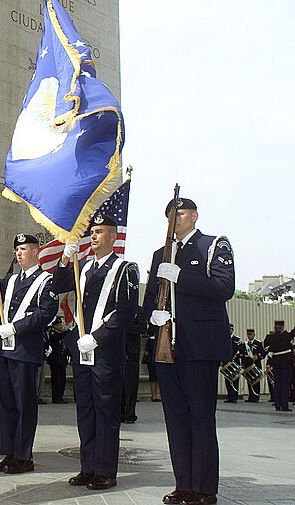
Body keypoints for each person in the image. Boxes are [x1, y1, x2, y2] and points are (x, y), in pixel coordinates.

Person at [146, 197, 234, 505]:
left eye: (180, 213)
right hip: (167, 348)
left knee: (200, 417)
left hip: (199, 347)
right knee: (176, 418)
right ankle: (183, 484)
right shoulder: (161, 254)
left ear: (194, 216)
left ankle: (204, 488)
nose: (175, 218)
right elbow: (148, 301)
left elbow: (224, 288)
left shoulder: (212, 246)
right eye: (170, 213)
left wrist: (182, 277)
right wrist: (152, 318)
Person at [52, 213, 139, 491]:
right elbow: (58, 286)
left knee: (106, 412)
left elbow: (125, 312)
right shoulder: (83, 267)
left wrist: (97, 338)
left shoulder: (125, 269)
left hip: (106, 353)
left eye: (100, 232)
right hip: (82, 353)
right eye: (93, 232)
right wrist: (65, 259)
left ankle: (105, 470)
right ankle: (87, 467)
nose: (94, 236)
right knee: (86, 411)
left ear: (113, 236)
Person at [0, 233, 57, 475]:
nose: (19, 253)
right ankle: (10, 453)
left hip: (24, 349)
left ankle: (24, 456)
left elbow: (46, 313)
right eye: (17, 249)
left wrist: (17, 327)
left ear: (36, 252)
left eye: (24, 249)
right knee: (6, 403)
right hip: (4, 349)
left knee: (24, 403)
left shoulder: (46, 281)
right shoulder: (11, 279)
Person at [263, 320, 295, 412]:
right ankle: (284, 406)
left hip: (276, 363)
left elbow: (265, 349)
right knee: (285, 385)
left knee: (277, 385)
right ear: (283, 327)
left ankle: (277, 405)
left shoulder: (270, 337)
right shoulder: (286, 336)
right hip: (286, 364)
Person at [121, 311, 146, 423]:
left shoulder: (138, 310)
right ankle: (120, 412)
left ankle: (130, 413)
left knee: (131, 384)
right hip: (119, 351)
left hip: (132, 352)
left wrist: (123, 327)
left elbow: (142, 327)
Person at [47, 318, 71, 404]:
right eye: (58, 325)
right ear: (54, 326)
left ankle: (60, 396)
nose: (60, 326)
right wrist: (68, 331)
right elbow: (59, 337)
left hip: (62, 361)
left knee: (62, 380)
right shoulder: (53, 333)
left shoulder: (61, 334)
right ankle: (56, 397)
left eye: (61, 324)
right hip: (55, 361)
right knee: (56, 380)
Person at [242, 328, 265, 403]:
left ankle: (256, 396)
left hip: (256, 365)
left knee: (256, 381)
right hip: (248, 366)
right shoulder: (245, 344)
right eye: (248, 334)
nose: (249, 336)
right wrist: (243, 364)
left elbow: (263, 354)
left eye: (251, 334)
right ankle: (251, 396)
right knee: (249, 381)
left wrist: (258, 357)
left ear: (254, 335)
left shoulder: (258, 343)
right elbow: (243, 355)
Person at [223, 325, 242, 403]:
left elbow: (240, 350)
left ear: (232, 330)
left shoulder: (237, 339)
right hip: (226, 363)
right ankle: (230, 396)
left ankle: (235, 397)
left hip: (235, 362)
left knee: (235, 380)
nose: (229, 330)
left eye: (230, 329)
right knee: (228, 380)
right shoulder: (224, 339)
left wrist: (235, 356)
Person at [144, 327, 161, 402]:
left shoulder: (150, 341)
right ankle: (154, 394)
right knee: (154, 378)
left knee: (154, 378)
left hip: (151, 360)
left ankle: (154, 394)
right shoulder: (153, 341)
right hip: (152, 360)